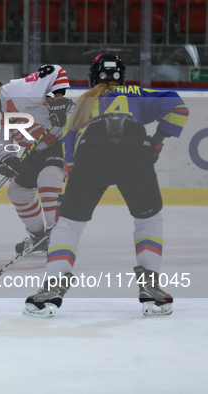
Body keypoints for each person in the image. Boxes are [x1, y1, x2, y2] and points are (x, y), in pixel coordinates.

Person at [23, 54, 189, 318]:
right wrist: (157, 140)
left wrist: (74, 181)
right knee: (148, 219)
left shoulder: (85, 102)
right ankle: (151, 288)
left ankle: (51, 289)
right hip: (135, 147)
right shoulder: (138, 93)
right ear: (121, 77)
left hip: (92, 149)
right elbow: (179, 108)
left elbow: (70, 144)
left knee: (69, 224)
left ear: (94, 75)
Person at [0, 65, 73, 258]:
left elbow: (55, 71)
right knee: (17, 191)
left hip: (64, 135)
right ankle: (39, 239)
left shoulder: (17, 91)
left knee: (49, 178)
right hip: (37, 148)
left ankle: (57, 236)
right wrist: (6, 162)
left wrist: (58, 101)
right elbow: (1, 151)